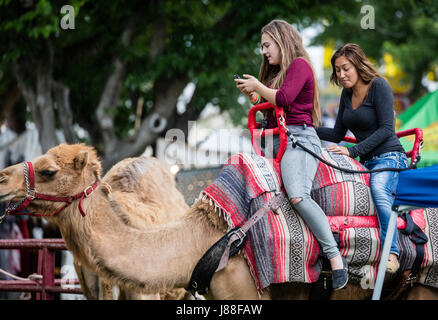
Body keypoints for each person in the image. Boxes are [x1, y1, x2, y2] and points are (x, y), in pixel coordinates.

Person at [235, 19, 348, 290]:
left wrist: (259, 88)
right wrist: (256, 95)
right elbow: (274, 105)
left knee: (297, 195)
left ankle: (334, 257)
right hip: (274, 140)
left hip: (299, 138)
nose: (263, 51)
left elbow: (284, 99)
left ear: (281, 40)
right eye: (261, 46)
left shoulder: (300, 65)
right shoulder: (274, 73)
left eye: (267, 45)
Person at [316, 43, 409, 274]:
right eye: (337, 70)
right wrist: (306, 128)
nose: (341, 74)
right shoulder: (346, 94)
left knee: (379, 190)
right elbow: (337, 134)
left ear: (357, 64)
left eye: (345, 68)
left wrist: (352, 151)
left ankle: (392, 254)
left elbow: (387, 129)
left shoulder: (379, 86)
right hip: (366, 163)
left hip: (390, 157)